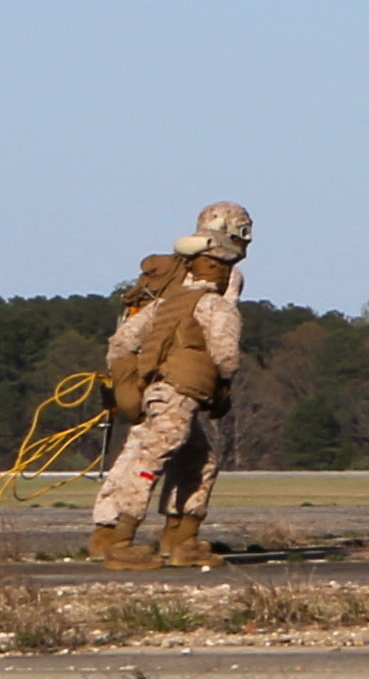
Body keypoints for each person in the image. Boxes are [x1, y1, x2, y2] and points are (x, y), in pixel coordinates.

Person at [84, 207, 250, 571]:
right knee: (150, 457)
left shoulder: (165, 294)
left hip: (153, 388)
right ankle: (122, 540)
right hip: (177, 393)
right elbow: (226, 354)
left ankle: (179, 539)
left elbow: (122, 341)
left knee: (195, 457)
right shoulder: (218, 299)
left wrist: (130, 383)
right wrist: (222, 388)